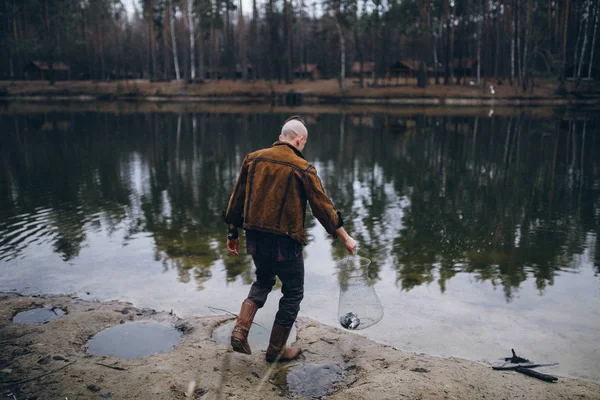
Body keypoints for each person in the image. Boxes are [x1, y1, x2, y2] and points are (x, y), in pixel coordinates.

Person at [223, 115, 357, 363]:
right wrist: (345, 238)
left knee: (263, 281)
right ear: (300, 139)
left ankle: (240, 330)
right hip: (286, 241)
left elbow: (236, 200)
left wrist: (232, 233)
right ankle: (276, 351)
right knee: (293, 292)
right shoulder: (302, 168)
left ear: (281, 136)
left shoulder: (252, 159)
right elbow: (323, 208)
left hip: (255, 236)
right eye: (303, 144)